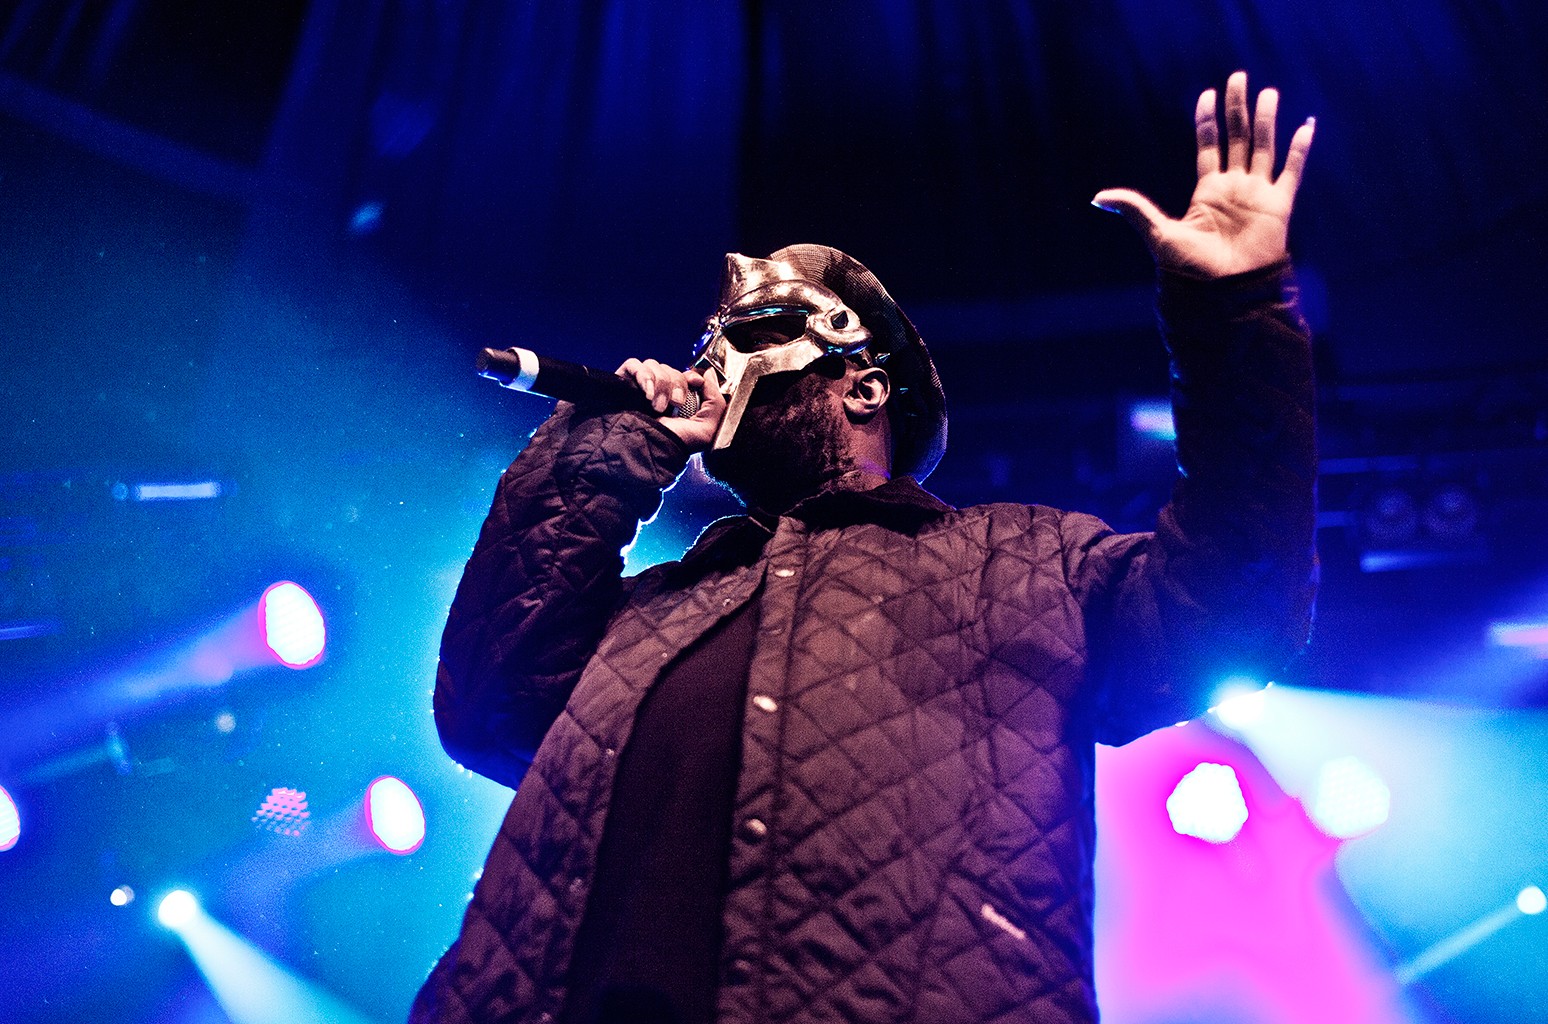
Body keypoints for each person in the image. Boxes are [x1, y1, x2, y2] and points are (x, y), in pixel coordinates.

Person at [410, 71, 1318, 1024]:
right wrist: (602, 448)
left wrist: (1236, 318)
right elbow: (489, 709)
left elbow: (1237, 608)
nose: (715, 357)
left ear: (864, 388)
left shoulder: (1019, 564)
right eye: (710, 338)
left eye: (754, 332)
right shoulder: (655, 608)